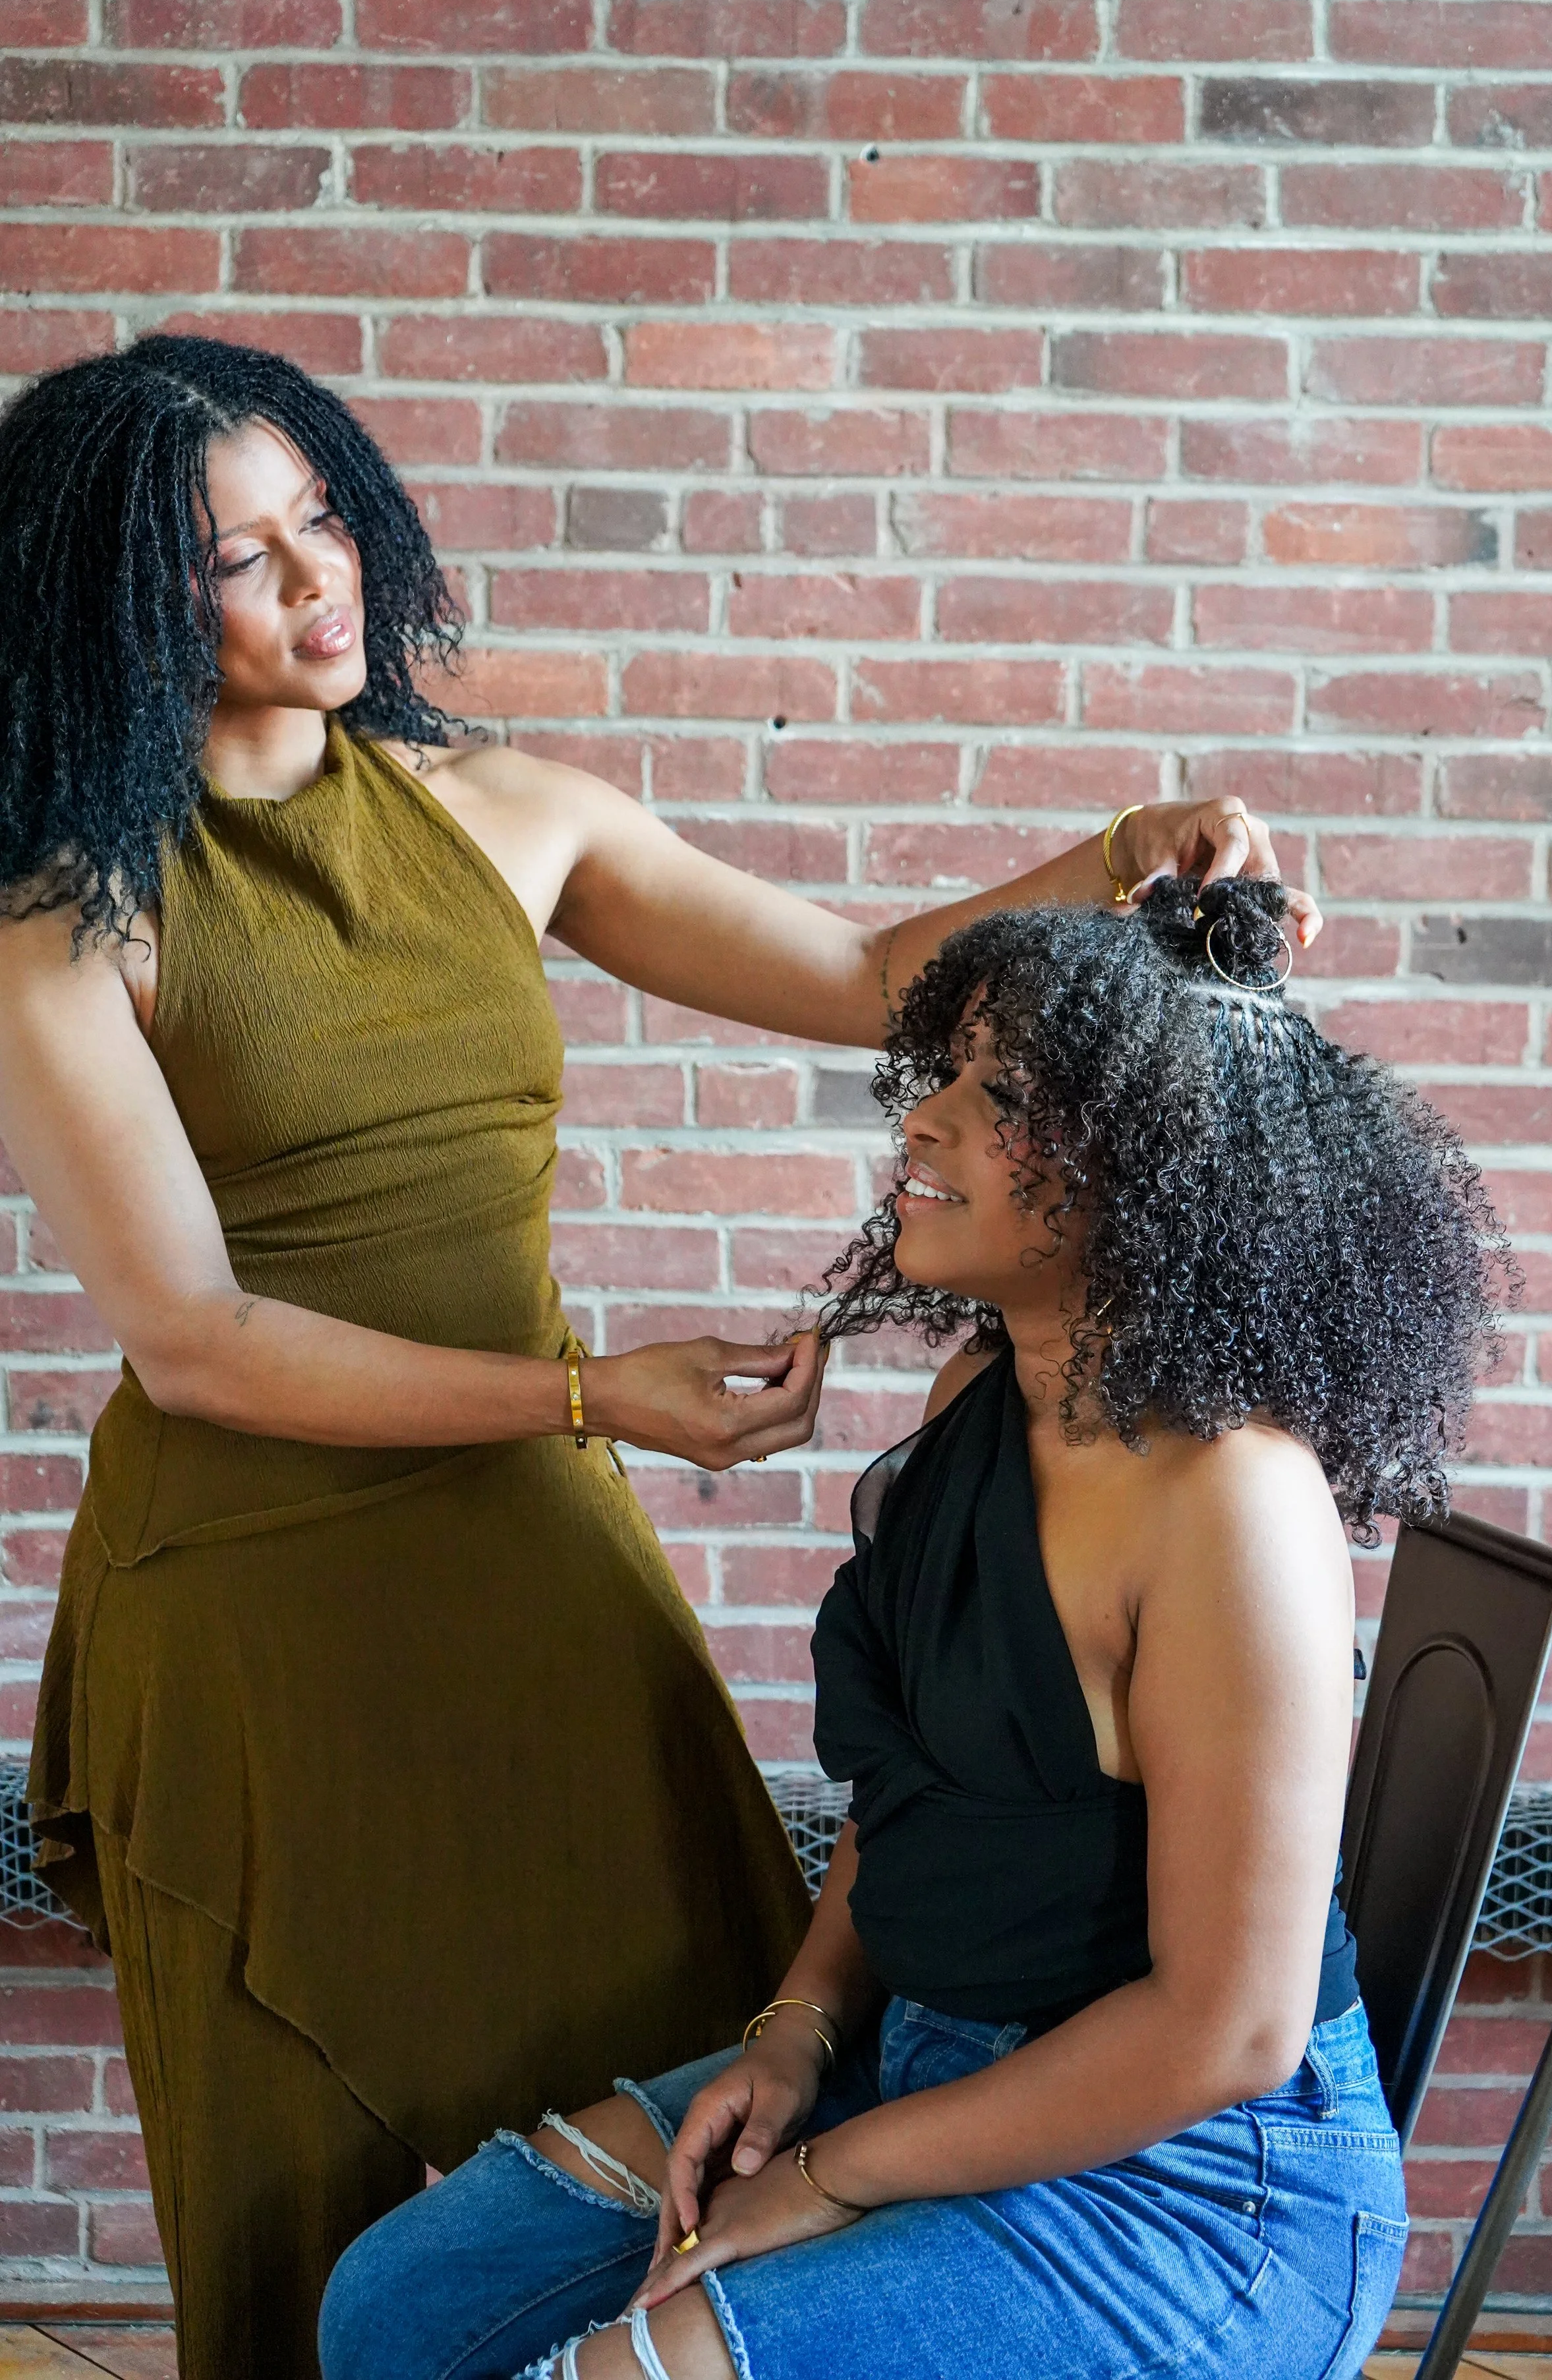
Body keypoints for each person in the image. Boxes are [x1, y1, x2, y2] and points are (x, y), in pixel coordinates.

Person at [0, 332, 1310, 2380]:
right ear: (110, 607)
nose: (316, 579)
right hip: (255, 1598)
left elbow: (875, 978)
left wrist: (1116, 850)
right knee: (304, 2170)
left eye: (320, 515)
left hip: (521, 1534)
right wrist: (596, 1393)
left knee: (693, 2023)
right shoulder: (66, 928)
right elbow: (198, 1338)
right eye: (232, 561)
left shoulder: (505, 812)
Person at [318, 876, 1508, 2380]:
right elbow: (915, 1790)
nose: (921, 1119)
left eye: (993, 1094)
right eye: (939, 1073)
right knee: (398, 2307)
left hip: (1201, 2188)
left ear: (1151, 1165)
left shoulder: (1231, 1504)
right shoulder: (974, 1405)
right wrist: (797, 2033)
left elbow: (1224, 2031)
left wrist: (828, 2174)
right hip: (932, 2054)